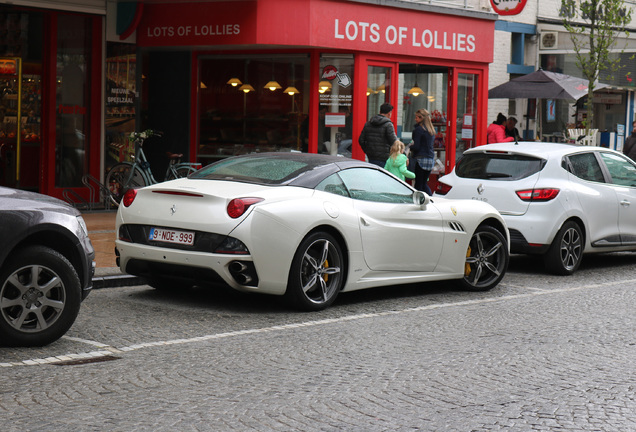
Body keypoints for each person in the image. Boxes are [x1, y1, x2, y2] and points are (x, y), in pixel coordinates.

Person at [410, 108, 435, 194]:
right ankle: (430, 199)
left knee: (418, 184)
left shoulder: (419, 130)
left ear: (421, 118)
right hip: (430, 159)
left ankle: (419, 201)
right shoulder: (430, 130)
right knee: (424, 183)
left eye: (417, 117)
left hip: (421, 158)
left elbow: (416, 146)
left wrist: (410, 147)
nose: (415, 119)